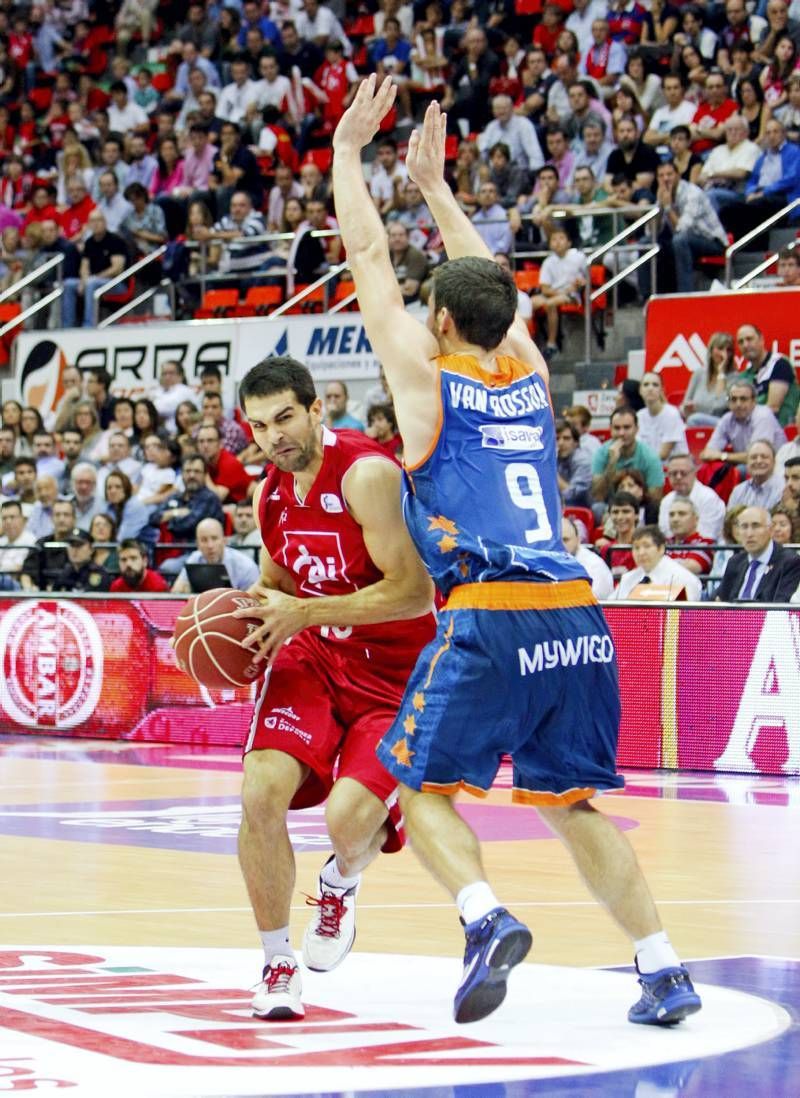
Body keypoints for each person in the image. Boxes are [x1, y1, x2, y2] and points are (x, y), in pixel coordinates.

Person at [332, 80, 702, 1027]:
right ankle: (663, 970)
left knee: (417, 789)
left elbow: (370, 254)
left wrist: (345, 154)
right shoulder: (532, 373)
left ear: (442, 324)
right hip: (579, 618)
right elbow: (492, 287)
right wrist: (438, 187)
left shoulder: (425, 381)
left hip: (493, 615)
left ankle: (484, 917)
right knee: (572, 804)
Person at [212, 358, 437, 1018]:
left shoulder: (369, 475)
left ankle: (339, 883)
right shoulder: (271, 492)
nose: (273, 437)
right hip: (313, 657)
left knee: (346, 823)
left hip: (394, 671)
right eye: (257, 426)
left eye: (284, 417)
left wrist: (303, 611)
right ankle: (278, 961)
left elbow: (414, 593)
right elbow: (278, 584)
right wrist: (240, 621)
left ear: (315, 410)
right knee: (259, 793)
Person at [715, 504, 800, 601]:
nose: (749, 534)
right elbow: (720, 600)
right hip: (733, 616)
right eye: (744, 526)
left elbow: (780, 608)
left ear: (770, 529)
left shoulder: (789, 562)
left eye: (756, 526)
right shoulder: (735, 562)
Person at [699, 379, 787, 466]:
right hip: (748, 465)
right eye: (733, 399)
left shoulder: (763, 416)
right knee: (712, 467)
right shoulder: (727, 419)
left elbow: (756, 457)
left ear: (754, 401)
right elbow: (707, 453)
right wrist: (712, 454)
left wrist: (723, 456)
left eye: (743, 399)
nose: (738, 404)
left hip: (774, 467)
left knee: (740, 469)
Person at [591, 406, 665, 505]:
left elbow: (655, 497)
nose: (621, 433)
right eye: (617, 428)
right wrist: (611, 463)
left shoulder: (650, 457)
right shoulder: (601, 453)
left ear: (637, 429)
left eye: (627, 427)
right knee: (597, 507)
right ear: (610, 429)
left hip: (641, 506)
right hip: (611, 507)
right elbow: (598, 495)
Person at [612, 525, 703, 600]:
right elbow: (609, 609)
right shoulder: (628, 578)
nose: (641, 553)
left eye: (647, 546)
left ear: (661, 549)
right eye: (636, 548)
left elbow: (687, 616)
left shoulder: (682, 578)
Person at [736, 323, 800, 428]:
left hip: (780, 429)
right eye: (741, 342)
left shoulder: (779, 364)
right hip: (751, 428)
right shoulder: (745, 375)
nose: (745, 345)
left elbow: (773, 408)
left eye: (749, 339)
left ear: (761, 339)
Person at [171, 517, 259, 593]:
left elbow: (254, 603)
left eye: (214, 538)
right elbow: (176, 591)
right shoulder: (195, 559)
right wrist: (181, 589)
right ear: (198, 544)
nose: (210, 545)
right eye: (204, 540)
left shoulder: (246, 566)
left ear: (224, 541)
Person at [658, 452, 726, 541]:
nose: (678, 477)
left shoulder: (709, 498)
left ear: (694, 473)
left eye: (683, 473)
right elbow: (665, 534)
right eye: (674, 473)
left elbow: (708, 537)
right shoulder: (666, 501)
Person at [681, 332, 737, 426]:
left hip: (723, 424)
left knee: (695, 419)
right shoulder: (699, 373)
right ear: (711, 351)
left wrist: (721, 373)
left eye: (728, 350)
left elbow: (719, 406)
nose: (724, 354)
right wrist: (686, 408)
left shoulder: (735, 378)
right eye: (720, 349)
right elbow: (685, 404)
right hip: (696, 423)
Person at [636, 373, 688, 463]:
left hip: (673, 469)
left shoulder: (672, 413)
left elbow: (663, 455)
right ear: (640, 390)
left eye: (655, 385)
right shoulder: (639, 416)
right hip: (648, 467)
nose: (650, 388)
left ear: (661, 390)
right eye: (646, 384)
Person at [561, 514, 614, 599]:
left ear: (578, 540)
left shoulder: (595, 566)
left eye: (566, 540)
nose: (561, 546)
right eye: (558, 541)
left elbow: (593, 600)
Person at [49, 527, 112, 593]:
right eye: (72, 545)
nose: (74, 550)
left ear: (91, 549)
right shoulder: (64, 573)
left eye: (79, 545)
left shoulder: (99, 575)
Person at [728, 439, 786, 510]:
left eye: (764, 457)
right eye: (753, 457)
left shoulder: (784, 489)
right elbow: (730, 520)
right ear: (747, 463)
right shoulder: (738, 491)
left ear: (774, 462)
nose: (758, 461)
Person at [665, 496, 714, 577]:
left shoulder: (705, 543)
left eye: (682, 514)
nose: (675, 519)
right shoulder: (662, 542)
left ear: (696, 519)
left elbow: (689, 568)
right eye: (671, 515)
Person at [556, 417, 593, 507]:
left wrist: (553, 473)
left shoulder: (582, 460)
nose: (560, 443)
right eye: (557, 438)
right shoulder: (552, 457)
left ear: (576, 443)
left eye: (566, 438)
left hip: (580, 508)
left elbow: (573, 496)